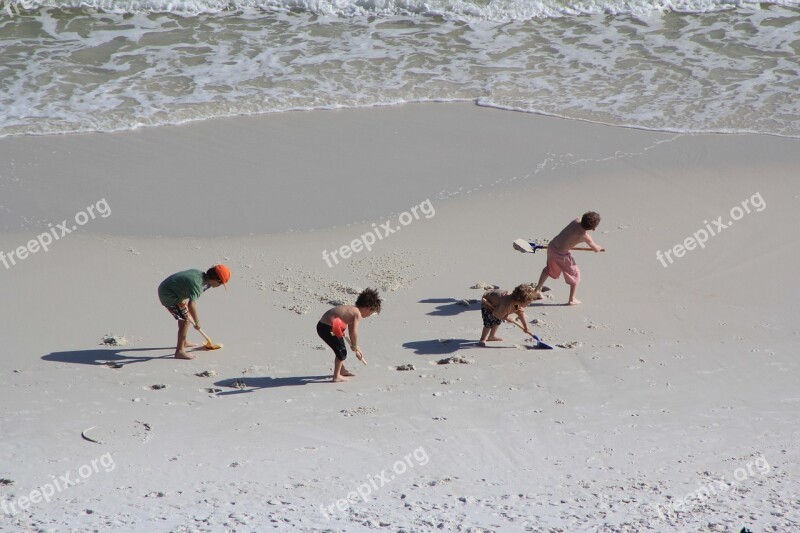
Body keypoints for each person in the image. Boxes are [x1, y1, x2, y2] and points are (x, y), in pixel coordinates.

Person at [158, 265, 230, 359]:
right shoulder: (197, 284)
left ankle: (184, 341)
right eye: (220, 283)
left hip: (172, 290)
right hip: (168, 295)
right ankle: (179, 352)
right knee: (186, 320)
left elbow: (184, 283)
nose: (219, 286)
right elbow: (191, 305)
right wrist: (197, 322)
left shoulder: (201, 276)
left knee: (185, 316)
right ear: (216, 279)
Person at [533, 211, 604, 305]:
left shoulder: (576, 221)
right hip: (562, 255)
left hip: (552, 247)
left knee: (549, 269)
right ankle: (572, 299)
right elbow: (595, 249)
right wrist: (599, 248)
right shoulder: (584, 236)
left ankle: (537, 290)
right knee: (575, 274)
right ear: (594, 228)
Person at [317, 288, 381, 382]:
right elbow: (353, 332)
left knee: (338, 349)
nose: (369, 315)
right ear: (367, 308)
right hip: (328, 328)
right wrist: (354, 345)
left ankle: (341, 370)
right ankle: (336, 376)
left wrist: (356, 347)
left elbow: (351, 331)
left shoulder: (352, 310)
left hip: (323, 327)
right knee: (341, 352)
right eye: (371, 313)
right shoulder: (357, 314)